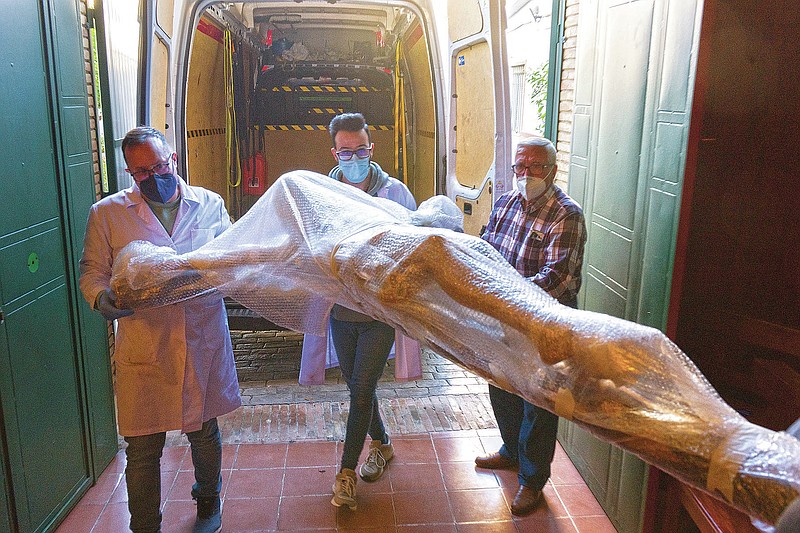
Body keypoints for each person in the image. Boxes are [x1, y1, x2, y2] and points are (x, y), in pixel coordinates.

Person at [79, 127, 241, 533]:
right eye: (141, 172)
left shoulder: (209, 204)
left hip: (199, 334)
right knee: (143, 446)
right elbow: (92, 273)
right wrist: (101, 298)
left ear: (174, 159)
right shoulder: (108, 214)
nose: (154, 176)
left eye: (159, 166)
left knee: (203, 431)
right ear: (131, 174)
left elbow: (231, 257)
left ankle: (208, 501)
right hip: (145, 340)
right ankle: (145, 524)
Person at [308, 112, 419, 511]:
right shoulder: (321, 193)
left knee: (361, 391)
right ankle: (383, 446)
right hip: (341, 310)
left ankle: (345, 475)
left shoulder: (396, 194)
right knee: (357, 386)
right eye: (345, 151)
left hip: (379, 314)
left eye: (360, 150)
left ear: (371, 149)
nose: (353, 157)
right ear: (334, 152)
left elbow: (414, 248)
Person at [474, 137, 587, 516]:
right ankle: (510, 451)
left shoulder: (566, 213)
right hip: (502, 317)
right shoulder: (505, 202)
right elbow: (486, 249)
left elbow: (555, 277)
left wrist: (504, 296)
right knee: (502, 386)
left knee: (539, 401)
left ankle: (532, 480)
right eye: (519, 167)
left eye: (535, 167)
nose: (526, 175)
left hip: (543, 322)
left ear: (552, 170)